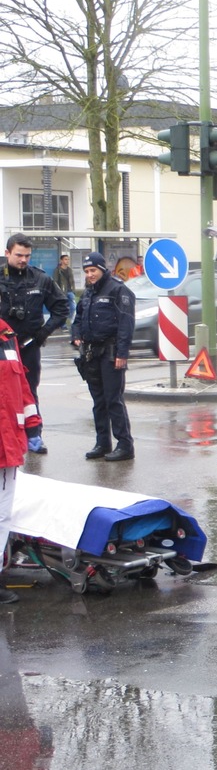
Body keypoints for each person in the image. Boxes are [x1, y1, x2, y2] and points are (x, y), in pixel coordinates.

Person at [2, 233, 69, 454]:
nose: (23, 260)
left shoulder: (41, 279)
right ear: (7, 253)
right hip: (3, 348)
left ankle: (34, 436)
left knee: (29, 393)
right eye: (19, 255)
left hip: (29, 346)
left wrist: (44, 333)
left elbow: (61, 308)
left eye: (27, 256)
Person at [71, 252, 136, 462]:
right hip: (91, 354)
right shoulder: (88, 293)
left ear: (102, 269)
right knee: (98, 401)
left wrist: (122, 353)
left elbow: (126, 324)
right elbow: (78, 318)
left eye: (93, 271)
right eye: (87, 271)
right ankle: (103, 443)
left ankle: (125, 445)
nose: (90, 275)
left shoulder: (118, 290)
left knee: (113, 400)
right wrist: (76, 336)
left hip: (110, 353)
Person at [0, 316, 43, 605]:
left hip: (7, 445)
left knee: (2, 515)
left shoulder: (7, 335)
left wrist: (33, 425)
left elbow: (20, 383)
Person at [53, 253, 77, 324]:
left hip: (70, 291)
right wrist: (58, 292)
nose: (67, 261)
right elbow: (55, 281)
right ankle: (63, 324)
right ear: (61, 260)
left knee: (73, 307)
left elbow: (72, 281)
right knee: (63, 308)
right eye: (66, 259)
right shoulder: (57, 270)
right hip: (62, 292)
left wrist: (73, 290)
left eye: (68, 259)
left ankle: (70, 320)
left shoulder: (69, 270)